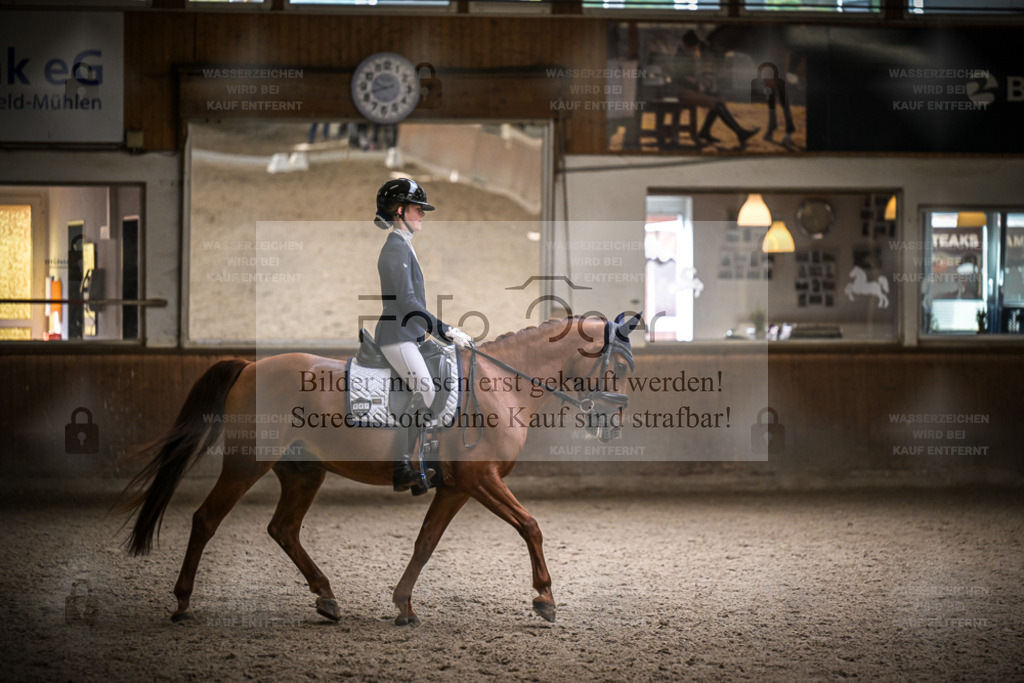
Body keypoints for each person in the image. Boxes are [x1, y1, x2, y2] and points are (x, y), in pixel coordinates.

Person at [373, 178, 472, 493]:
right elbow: (409, 303)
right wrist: (446, 330)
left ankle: (427, 464)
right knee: (427, 391)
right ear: (400, 211)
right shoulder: (394, 248)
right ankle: (403, 465)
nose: (423, 215)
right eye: (418, 209)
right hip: (397, 336)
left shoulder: (404, 245)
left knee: (443, 384)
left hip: (411, 334)